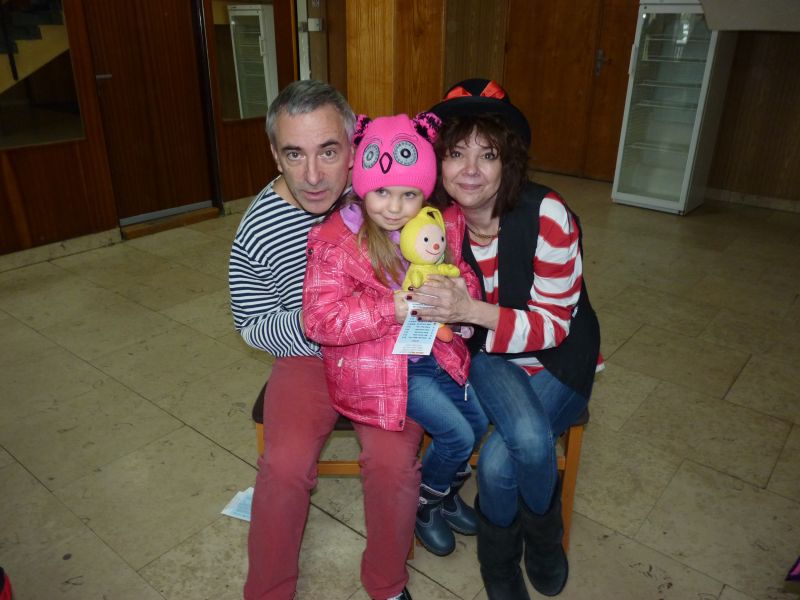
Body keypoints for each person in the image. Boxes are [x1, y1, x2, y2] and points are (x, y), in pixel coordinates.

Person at [407, 79, 601, 599]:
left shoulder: (548, 214)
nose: (470, 169)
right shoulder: (436, 225)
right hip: (490, 355)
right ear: (437, 162)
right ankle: (512, 559)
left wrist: (468, 310)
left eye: (487, 154)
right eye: (456, 153)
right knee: (528, 444)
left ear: (508, 162)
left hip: (558, 354)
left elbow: (554, 326)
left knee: (499, 461)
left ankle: (532, 546)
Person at [229, 80, 423, 600]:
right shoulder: (258, 228)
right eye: (295, 154)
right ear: (276, 155)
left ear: (355, 147)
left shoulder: (382, 188)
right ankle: (268, 592)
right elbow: (251, 323)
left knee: (392, 463)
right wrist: (322, 323)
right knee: (283, 466)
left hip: (387, 350)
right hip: (308, 357)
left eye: (328, 151)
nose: (313, 175)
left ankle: (387, 584)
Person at [302, 113, 488, 558]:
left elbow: (461, 272)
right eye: (382, 192)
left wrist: (459, 298)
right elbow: (319, 321)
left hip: (436, 351)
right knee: (458, 437)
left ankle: (444, 492)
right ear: (362, 187)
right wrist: (391, 307)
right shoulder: (335, 243)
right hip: (386, 371)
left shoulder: (435, 224)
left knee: (479, 423)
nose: (393, 207)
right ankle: (427, 503)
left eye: (409, 194)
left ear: (424, 194)